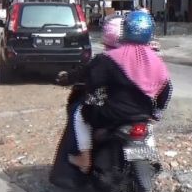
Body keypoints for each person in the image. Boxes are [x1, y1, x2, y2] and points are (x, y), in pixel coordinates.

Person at [68, 11, 172, 173]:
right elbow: (166, 89)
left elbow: (91, 80)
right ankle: (148, 158)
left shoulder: (111, 57)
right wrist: (157, 113)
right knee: (148, 129)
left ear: (126, 30)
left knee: (81, 113)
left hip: (112, 114)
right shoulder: (156, 60)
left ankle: (85, 157)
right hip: (143, 114)